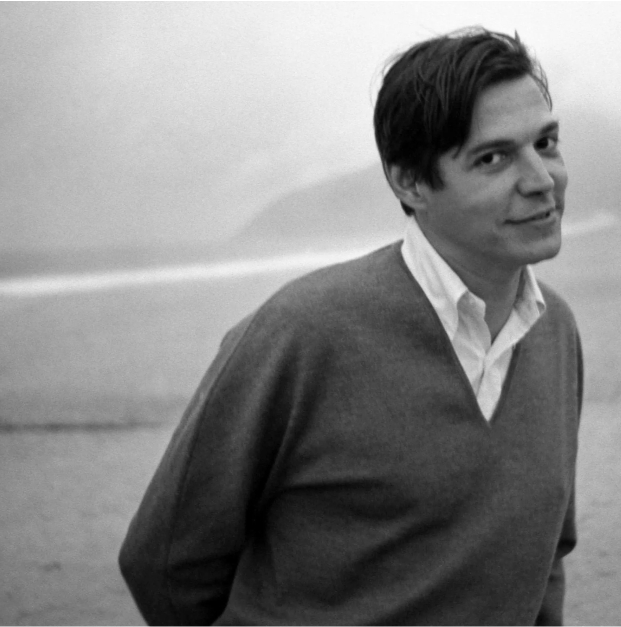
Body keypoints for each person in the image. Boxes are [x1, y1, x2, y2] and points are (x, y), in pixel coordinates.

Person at [119, 26, 583, 626]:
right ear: (410, 181)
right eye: (493, 157)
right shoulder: (301, 334)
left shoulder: (555, 331)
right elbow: (163, 564)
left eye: (546, 143)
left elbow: (545, 555)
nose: (541, 179)